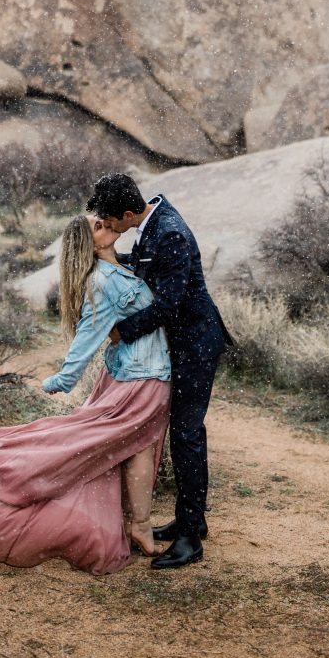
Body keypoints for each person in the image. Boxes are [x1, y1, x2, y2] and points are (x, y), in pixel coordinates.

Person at [0, 214, 171, 575]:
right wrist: (61, 379)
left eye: (104, 220)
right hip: (139, 378)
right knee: (121, 448)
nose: (105, 224)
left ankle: (136, 524)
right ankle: (136, 524)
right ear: (92, 244)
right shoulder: (101, 281)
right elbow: (88, 336)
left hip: (139, 373)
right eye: (98, 226)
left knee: (134, 449)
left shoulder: (126, 264)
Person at [87, 173, 233, 570]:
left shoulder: (169, 232)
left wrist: (121, 332)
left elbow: (168, 304)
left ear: (130, 212)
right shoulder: (152, 222)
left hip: (195, 345)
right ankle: (192, 521)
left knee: (186, 436)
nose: (111, 228)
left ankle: (190, 538)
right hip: (182, 345)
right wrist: (111, 257)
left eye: (112, 222)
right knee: (181, 434)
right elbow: (148, 269)